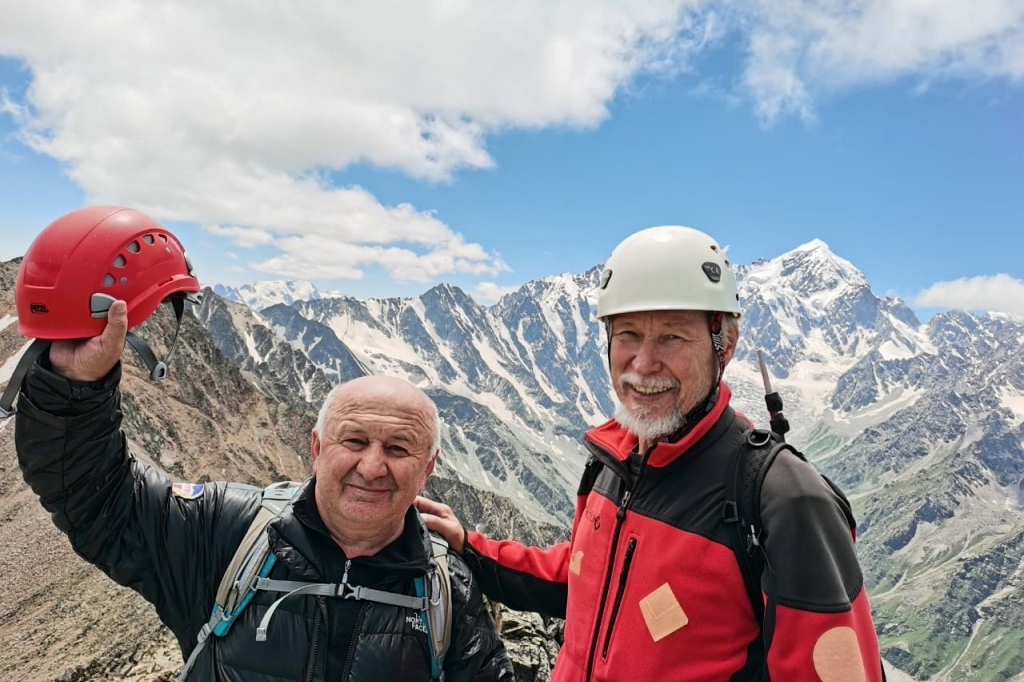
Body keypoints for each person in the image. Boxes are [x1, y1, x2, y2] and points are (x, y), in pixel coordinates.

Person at [13, 208, 513, 682]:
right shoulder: (224, 532)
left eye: (399, 449)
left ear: (429, 468)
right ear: (316, 448)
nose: (373, 465)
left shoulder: (449, 591)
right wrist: (73, 386)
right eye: (354, 440)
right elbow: (95, 497)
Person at [416, 225, 885, 682]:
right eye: (628, 335)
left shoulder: (784, 498)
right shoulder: (611, 462)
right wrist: (469, 545)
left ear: (725, 344)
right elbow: (583, 578)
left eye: (672, 337)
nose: (643, 364)